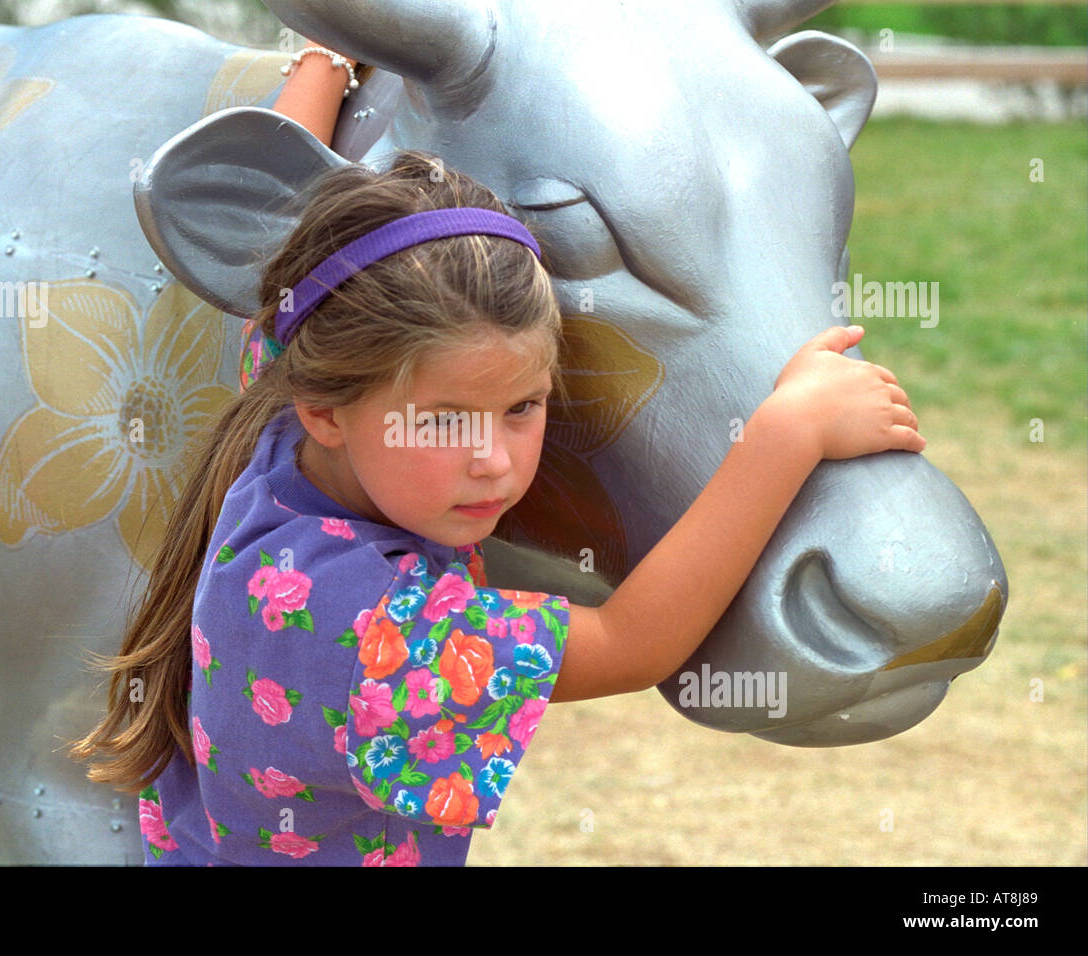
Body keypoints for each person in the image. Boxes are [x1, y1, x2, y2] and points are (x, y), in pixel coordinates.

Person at [69, 42, 926, 866]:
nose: (494, 462)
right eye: (444, 420)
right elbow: (633, 644)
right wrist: (782, 435)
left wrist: (322, 61)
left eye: (523, 406)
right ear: (328, 409)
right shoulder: (370, 629)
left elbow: (281, 269)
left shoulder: (292, 428)